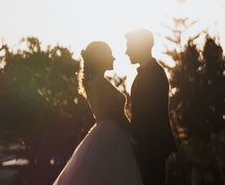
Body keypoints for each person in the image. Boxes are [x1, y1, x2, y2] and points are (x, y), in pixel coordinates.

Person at [53, 41, 143, 185]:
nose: (113, 58)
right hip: (113, 136)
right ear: (100, 58)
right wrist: (134, 135)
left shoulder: (96, 82)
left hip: (107, 134)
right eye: (109, 55)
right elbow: (116, 114)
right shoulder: (99, 83)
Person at [126, 29, 177, 185]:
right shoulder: (148, 73)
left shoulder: (153, 74)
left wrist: (132, 138)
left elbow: (148, 116)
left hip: (150, 148)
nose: (126, 52)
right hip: (148, 147)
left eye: (129, 46)